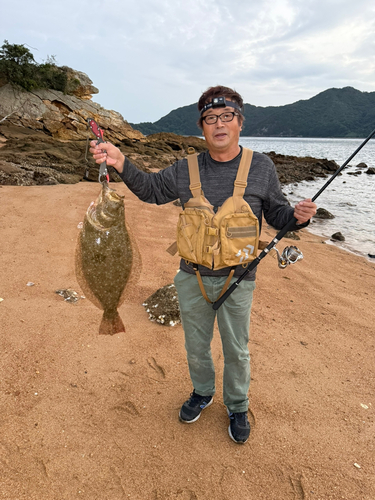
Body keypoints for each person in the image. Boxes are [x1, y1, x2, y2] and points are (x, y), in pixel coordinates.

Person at [90, 86, 317, 444]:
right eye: (210, 118)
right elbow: (150, 190)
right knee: (195, 346)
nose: (219, 124)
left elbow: (278, 214)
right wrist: (120, 163)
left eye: (227, 116)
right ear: (202, 127)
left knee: (236, 349)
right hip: (191, 277)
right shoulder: (186, 169)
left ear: (240, 123)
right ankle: (202, 392)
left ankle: (238, 405)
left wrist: (298, 217)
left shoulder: (261, 167)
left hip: (238, 280)